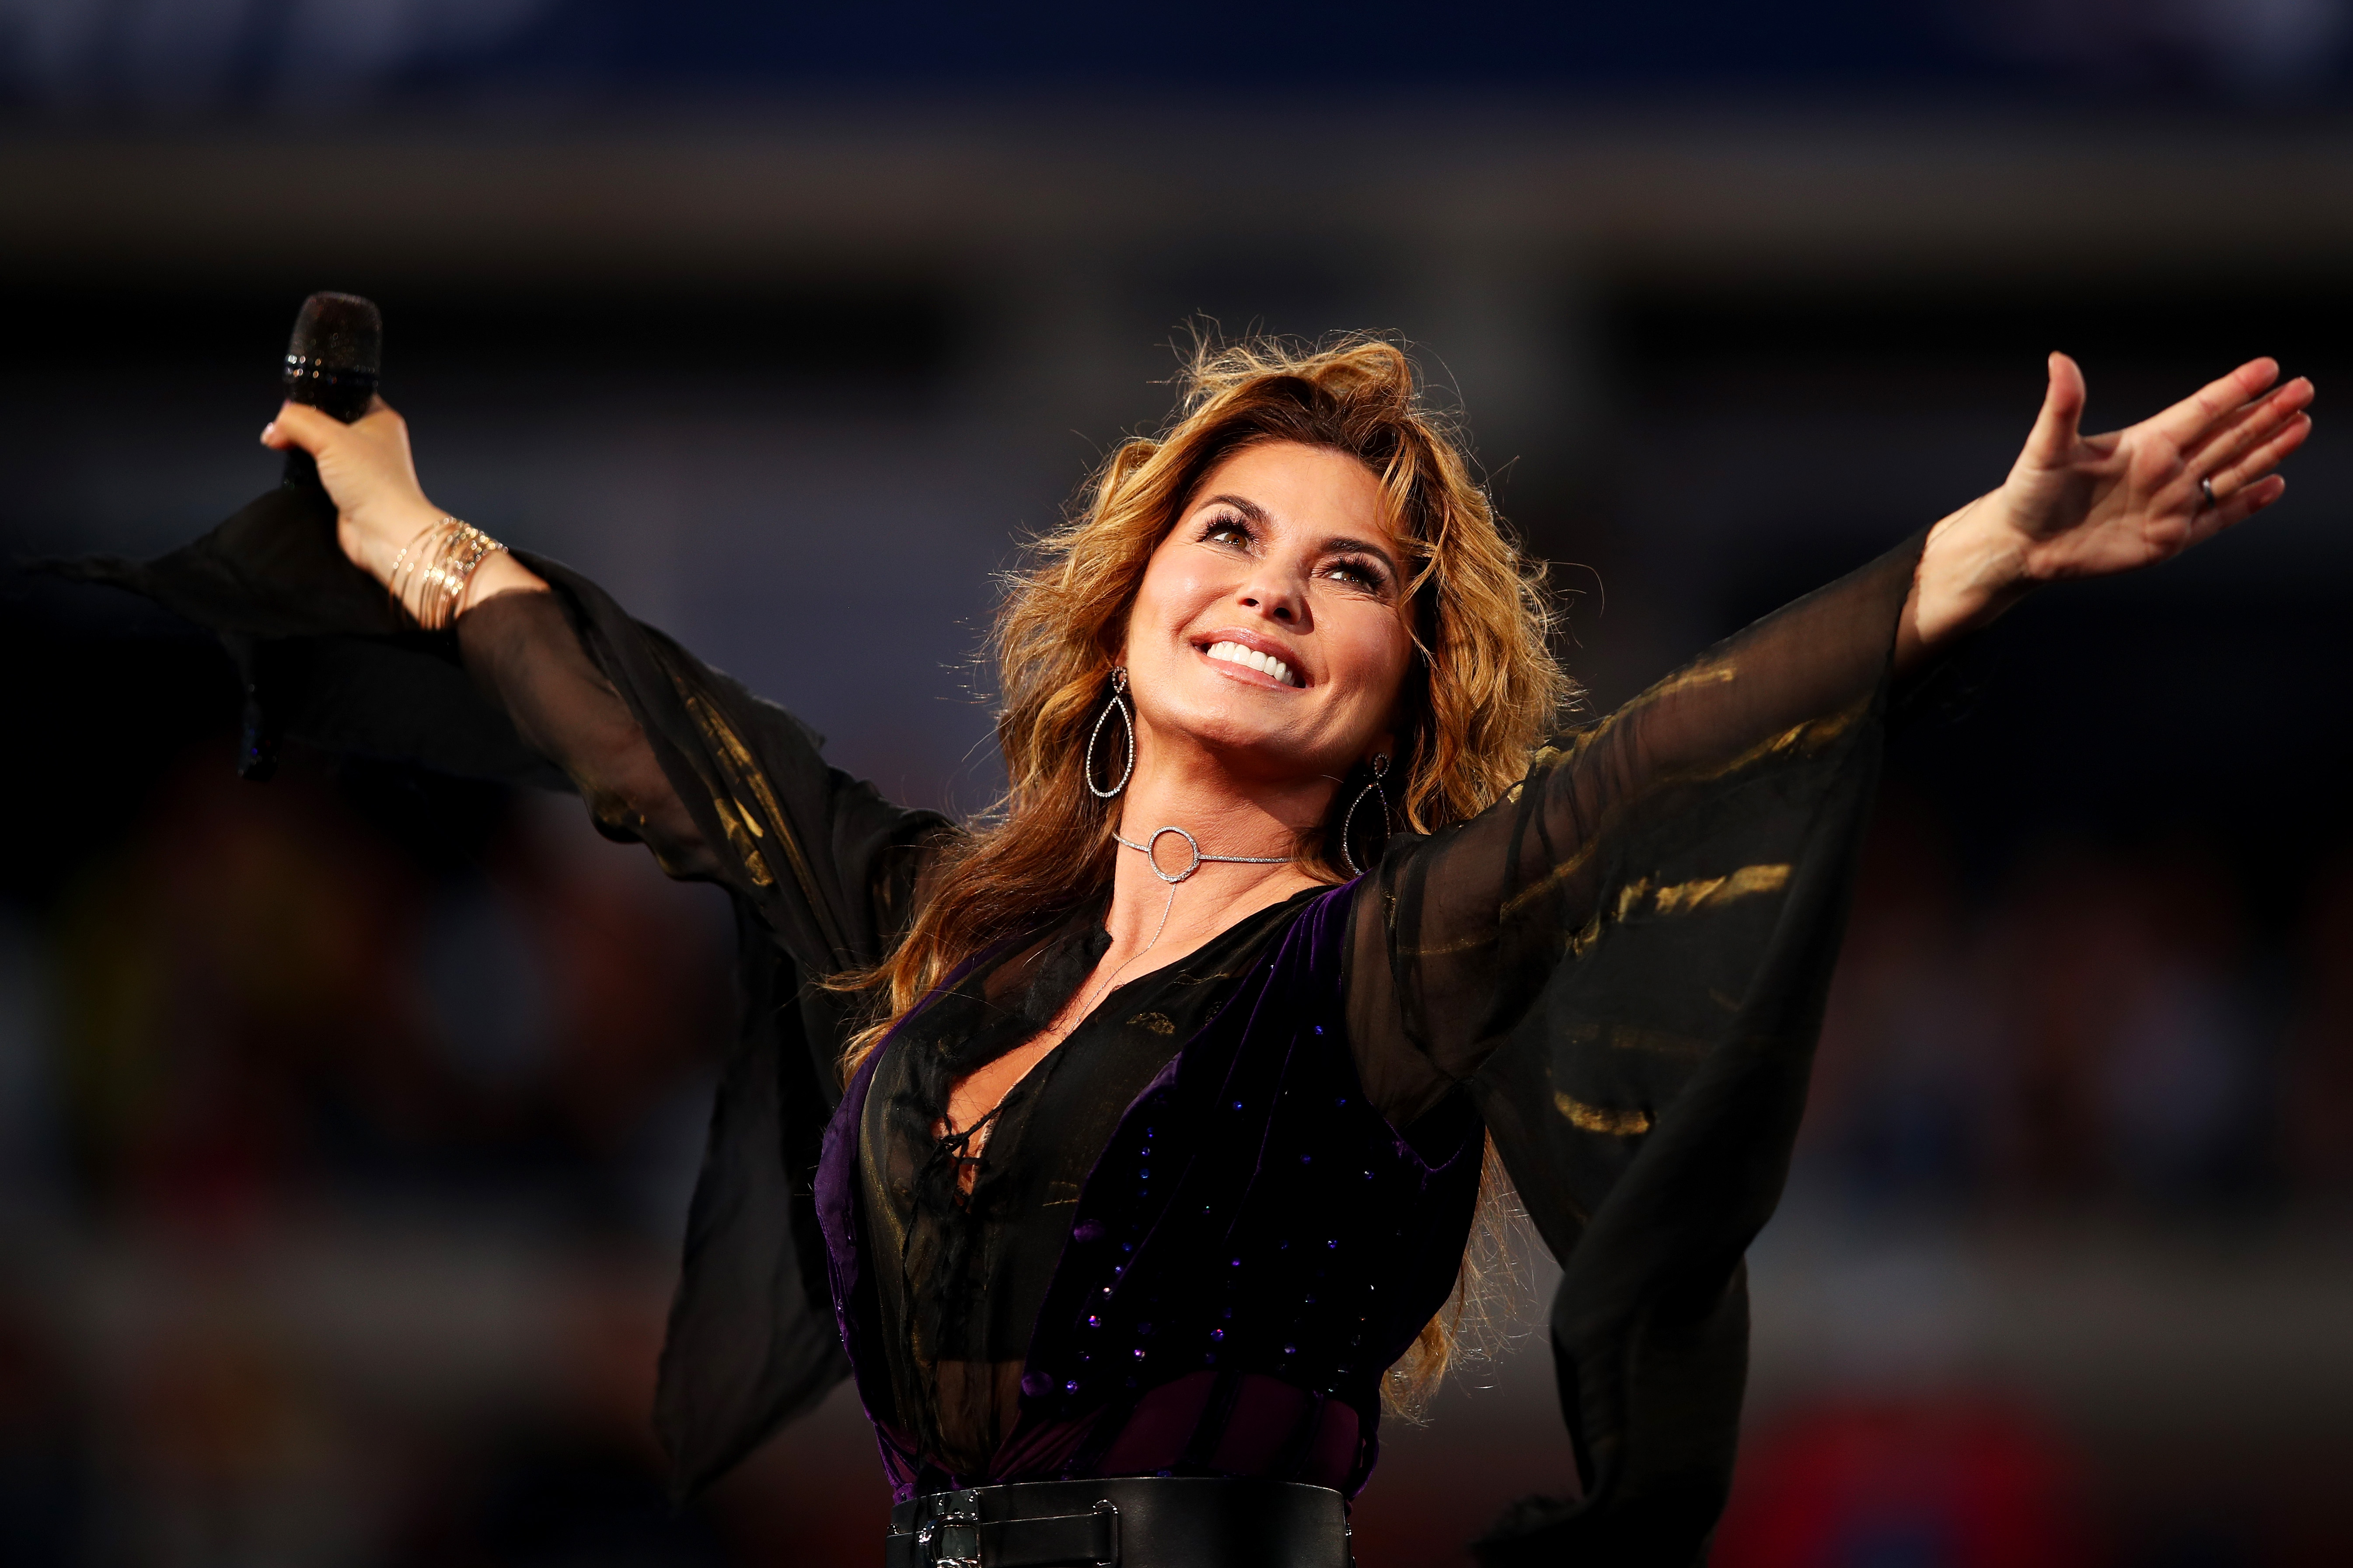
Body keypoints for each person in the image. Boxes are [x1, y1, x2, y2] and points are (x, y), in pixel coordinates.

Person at [81, 337, 2310, 1565]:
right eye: (1229, 531)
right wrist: (402, 530)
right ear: (1130, 603)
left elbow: (1650, 782)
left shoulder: (1381, 966)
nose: (1272, 584)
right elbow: (664, 744)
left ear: (1401, 686)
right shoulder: (930, 932)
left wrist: (1965, 564)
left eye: (1350, 577)